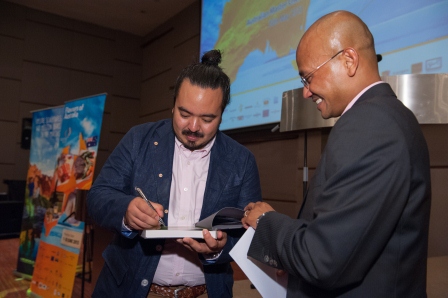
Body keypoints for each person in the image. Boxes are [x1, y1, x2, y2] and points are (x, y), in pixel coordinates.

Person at [242, 10, 431, 297]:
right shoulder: (388, 117)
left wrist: (266, 221)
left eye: (307, 77)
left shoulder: (370, 127)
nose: (306, 92)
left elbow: (323, 259)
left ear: (349, 60)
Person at [87, 49, 262, 298]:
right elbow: (97, 198)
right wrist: (127, 210)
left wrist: (219, 248)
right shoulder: (139, 140)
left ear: (222, 114)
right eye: (184, 114)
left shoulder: (241, 161)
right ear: (172, 106)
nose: (192, 127)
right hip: (132, 290)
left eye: (206, 119)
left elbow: (249, 234)